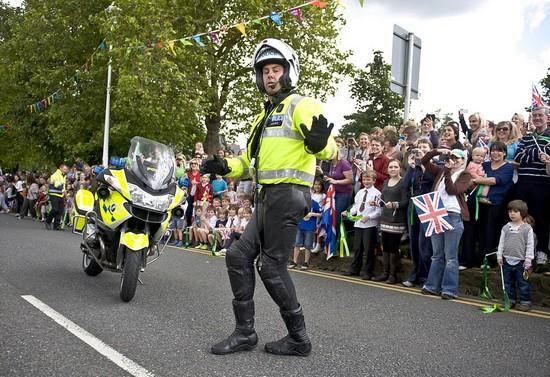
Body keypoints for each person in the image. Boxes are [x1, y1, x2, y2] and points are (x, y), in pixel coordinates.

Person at [202, 38, 336, 357]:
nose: (270, 76)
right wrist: (224, 166)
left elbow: (330, 147)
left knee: (271, 267)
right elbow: (247, 162)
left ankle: (299, 339)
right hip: (266, 197)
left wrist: (321, 144)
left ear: (289, 72)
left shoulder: (301, 105)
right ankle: (245, 333)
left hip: (289, 195)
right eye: (264, 71)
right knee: (237, 256)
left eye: (276, 69)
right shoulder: (260, 119)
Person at [420, 149, 471, 299]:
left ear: (462, 161)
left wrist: (448, 172)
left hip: (453, 214)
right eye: (451, 158)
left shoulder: (465, 175)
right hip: (437, 212)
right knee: (437, 254)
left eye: (457, 159)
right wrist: (437, 151)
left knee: (450, 256)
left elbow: (452, 190)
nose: (454, 161)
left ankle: (449, 289)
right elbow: (424, 161)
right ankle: (432, 286)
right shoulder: (442, 171)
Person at [514, 106, 550, 265]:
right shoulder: (527, 137)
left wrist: (528, 153)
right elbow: (518, 155)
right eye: (534, 115)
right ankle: (525, 250)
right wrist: (536, 154)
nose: (537, 118)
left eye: (540, 115)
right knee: (523, 217)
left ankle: (542, 251)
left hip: (542, 183)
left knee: (541, 218)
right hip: (524, 182)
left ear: (547, 118)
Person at [401, 139, 435, 287]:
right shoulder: (414, 167)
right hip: (413, 206)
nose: (421, 149)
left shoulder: (434, 166)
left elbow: (430, 179)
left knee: (425, 245)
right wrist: (411, 167)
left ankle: (425, 276)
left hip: (427, 206)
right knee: (414, 243)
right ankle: (415, 274)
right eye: (419, 147)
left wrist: (422, 165)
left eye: (424, 147)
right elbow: (404, 185)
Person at [371, 159, 408, 284]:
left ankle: (393, 275)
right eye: (390, 167)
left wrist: (394, 204)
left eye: (395, 167)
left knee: (393, 248)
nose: (392, 169)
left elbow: (405, 201)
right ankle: (385, 273)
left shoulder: (403, 182)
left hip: (397, 220)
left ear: (400, 168)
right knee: (385, 247)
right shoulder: (386, 182)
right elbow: (383, 199)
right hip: (385, 219)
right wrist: (376, 202)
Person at [342, 170, 382, 279]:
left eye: (368, 179)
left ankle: (368, 272)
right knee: (358, 248)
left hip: (369, 225)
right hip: (358, 224)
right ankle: (354, 269)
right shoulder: (360, 192)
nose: (366, 181)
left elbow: (379, 211)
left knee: (368, 249)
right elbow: (356, 206)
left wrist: (369, 217)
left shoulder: (377, 193)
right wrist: (349, 212)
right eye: (364, 179)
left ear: (374, 180)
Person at [497, 200, 534, 311]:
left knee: (522, 283)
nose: (512, 214)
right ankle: (510, 300)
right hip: (507, 260)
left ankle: (525, 302)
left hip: (521, 262)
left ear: (522, 213)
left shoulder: (527, 229)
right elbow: (501, 242)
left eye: (515, 211)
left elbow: (530, 245)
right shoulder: (506, 227)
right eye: (510, 211)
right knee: (508, 283)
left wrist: (528, 259)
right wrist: (499, 256)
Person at [288, 194, 322, 271]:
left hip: (310, 228)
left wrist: (312, 214)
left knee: (308, 245)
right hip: (299, 226)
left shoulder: (315, 203)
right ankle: (294, 261)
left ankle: (306, 262)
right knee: (297, 244)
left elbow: (321, 214)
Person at [45, 163, 68, 230]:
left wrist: (64, 193)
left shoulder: (63, 175)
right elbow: (57, 185)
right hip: (54, 194)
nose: (66, 170)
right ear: (60, 168)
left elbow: (63, 186)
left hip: (60, 194)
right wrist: (65, 192)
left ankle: (56, 225)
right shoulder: (56, 175)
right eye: (64, 169)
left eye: (66, 169)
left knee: (60, 210)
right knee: (55, 209)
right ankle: (48, 221)